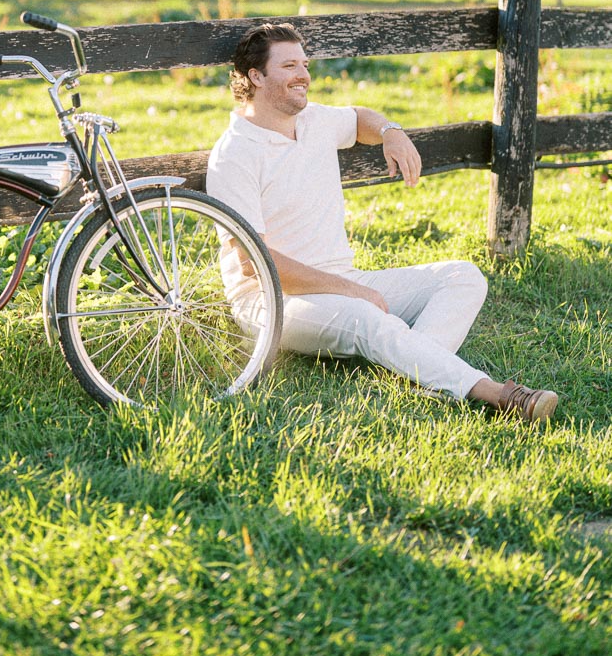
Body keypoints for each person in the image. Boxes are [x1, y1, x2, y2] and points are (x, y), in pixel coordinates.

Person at [206, 22, 558, 423]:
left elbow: (358, 118)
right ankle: (501, 395)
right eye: (289, 66)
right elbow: (258, 263)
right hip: (271, 303)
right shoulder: (234, 153)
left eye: (304, 63)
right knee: (367, 317)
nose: (304, 74)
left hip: (340, 277)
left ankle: (416, 372)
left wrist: (392, 132)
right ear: (256, 75)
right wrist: (353, 291)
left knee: (463, 276)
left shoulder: (313, 120)